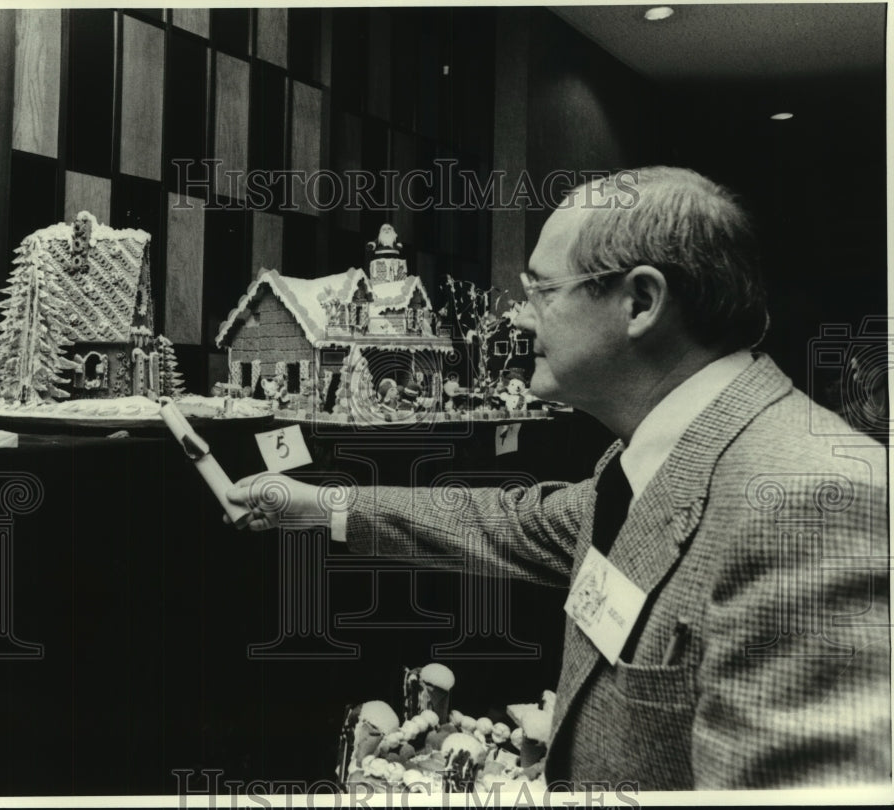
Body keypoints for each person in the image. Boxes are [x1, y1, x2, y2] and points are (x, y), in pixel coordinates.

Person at [225, 167, 890, 790]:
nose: (518, 317)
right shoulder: (649, 456)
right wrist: (312, 505)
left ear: (640, 303)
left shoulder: (811, 499)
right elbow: (507, 520)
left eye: (541, 291)